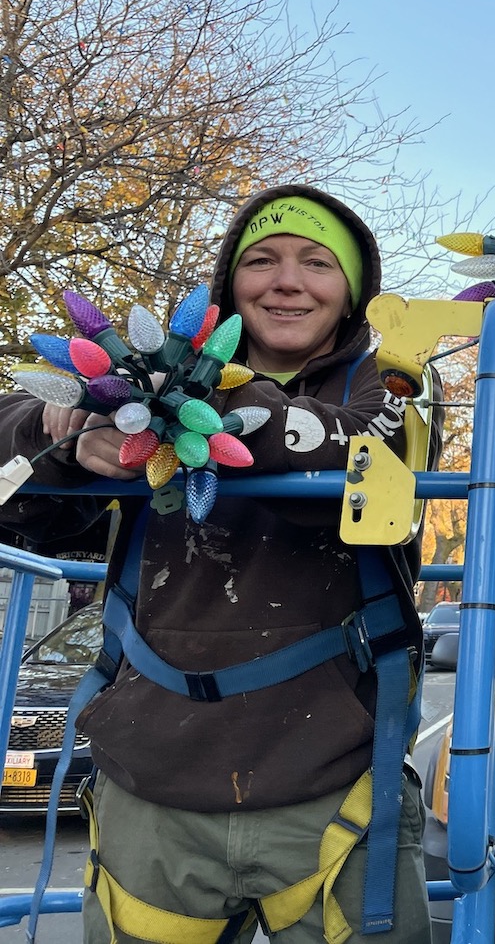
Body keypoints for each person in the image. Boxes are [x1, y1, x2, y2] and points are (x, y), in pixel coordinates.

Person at [0, 186, 434, 942]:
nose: (287, 281)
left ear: (353, 291)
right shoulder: (141, 388)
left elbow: (368, 447)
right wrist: (67, 431)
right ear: (230, 285)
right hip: (152, 784)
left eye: (317, 262)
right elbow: (16, 448)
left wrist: (186, 401)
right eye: (261, 261)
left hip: (338, 786)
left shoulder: (389, 387)